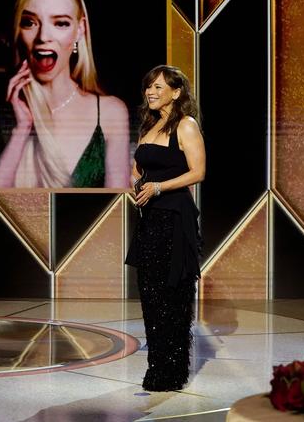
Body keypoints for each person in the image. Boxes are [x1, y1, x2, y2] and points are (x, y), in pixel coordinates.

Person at [0, 0, 130, 188]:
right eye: (29, 22)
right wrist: (21, 131)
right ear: (17, 30)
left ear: (79, 30)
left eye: (60, 23)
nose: (44, 37)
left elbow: (117, 217)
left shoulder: (111, 113)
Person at [125, 65, 205, 391]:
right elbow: (136, 167)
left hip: (175, 220)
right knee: (151, 295)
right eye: (148, 87)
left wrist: (159, 188)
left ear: (176, 92)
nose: (151, 92)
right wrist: (138, 183)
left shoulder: (186, 125)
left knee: (173, 296)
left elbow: (198, 172)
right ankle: (157, 367)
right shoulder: (149, 124)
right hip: (149, 221)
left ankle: (173, 370)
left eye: (158, 87)